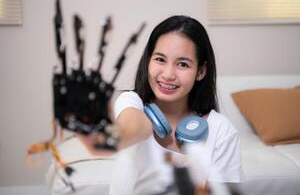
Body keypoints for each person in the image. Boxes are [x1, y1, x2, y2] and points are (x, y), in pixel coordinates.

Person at [79, 15, 243, 194]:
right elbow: (132, 126)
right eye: (160, 59)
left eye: (182, 64)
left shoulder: (222, 130)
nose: (168, 74)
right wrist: (108, 139)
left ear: (201, 71)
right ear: (148, 61)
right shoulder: (131, 102)